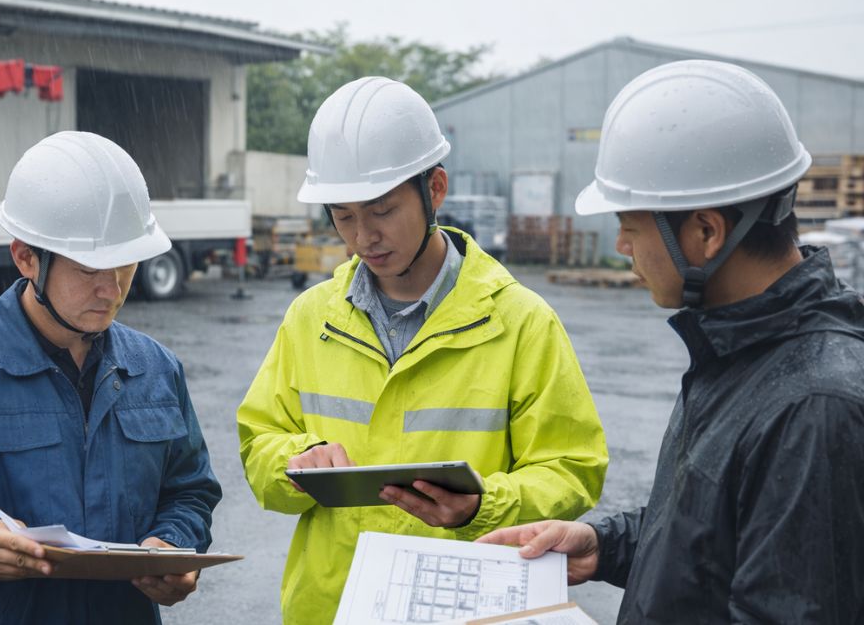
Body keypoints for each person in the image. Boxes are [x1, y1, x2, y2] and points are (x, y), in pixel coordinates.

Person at [477, 60, 864, 623]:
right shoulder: (742, 348)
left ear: (706, 232)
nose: (622, 246)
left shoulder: (812, 409)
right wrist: (603, 545)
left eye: (630, 227)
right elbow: (710, 540)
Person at [237, 76, 609, 624]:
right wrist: (296, 464)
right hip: (330, 608)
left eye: (382, 210)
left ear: (434, 189)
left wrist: (485, 505)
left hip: (463, 605)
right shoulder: (311, 317)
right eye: (343, 216)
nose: (364, 237)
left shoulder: (520, 322)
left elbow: (572, 469)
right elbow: (259, 441)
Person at [0, 131, 222, 624]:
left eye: (126, 263)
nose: (111, 289)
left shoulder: (156, 370)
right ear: (26, 257)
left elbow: (189, 491)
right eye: (90, 266)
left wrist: (174, 544)